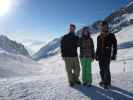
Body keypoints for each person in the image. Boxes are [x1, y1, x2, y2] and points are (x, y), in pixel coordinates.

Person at [96, 21, 117, 89]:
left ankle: (107, 83)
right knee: (101, 69)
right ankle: (103, 80)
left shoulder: (111, 35)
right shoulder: (99, 36)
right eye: (102, 26)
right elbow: (98, 47)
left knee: (106, 69)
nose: (104, 27)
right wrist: (96, 55)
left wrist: (114, 54)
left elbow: (115, 46)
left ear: (107, 27)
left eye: (105, 26)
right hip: (100, 55)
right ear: (101, 27)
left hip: (107, 55)